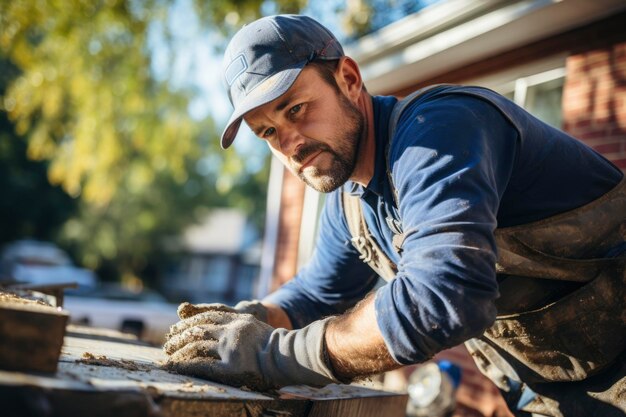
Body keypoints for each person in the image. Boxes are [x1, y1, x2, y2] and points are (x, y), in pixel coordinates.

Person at [164, 14, 625, 417]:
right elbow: (315, 293)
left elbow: (443, 296)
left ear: (347, 78)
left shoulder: (438, 130)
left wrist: (271, 354)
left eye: (296, 109)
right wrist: (248, 319)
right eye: (268, 132)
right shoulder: (349, 203)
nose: (290, 144)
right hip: (554, 399)